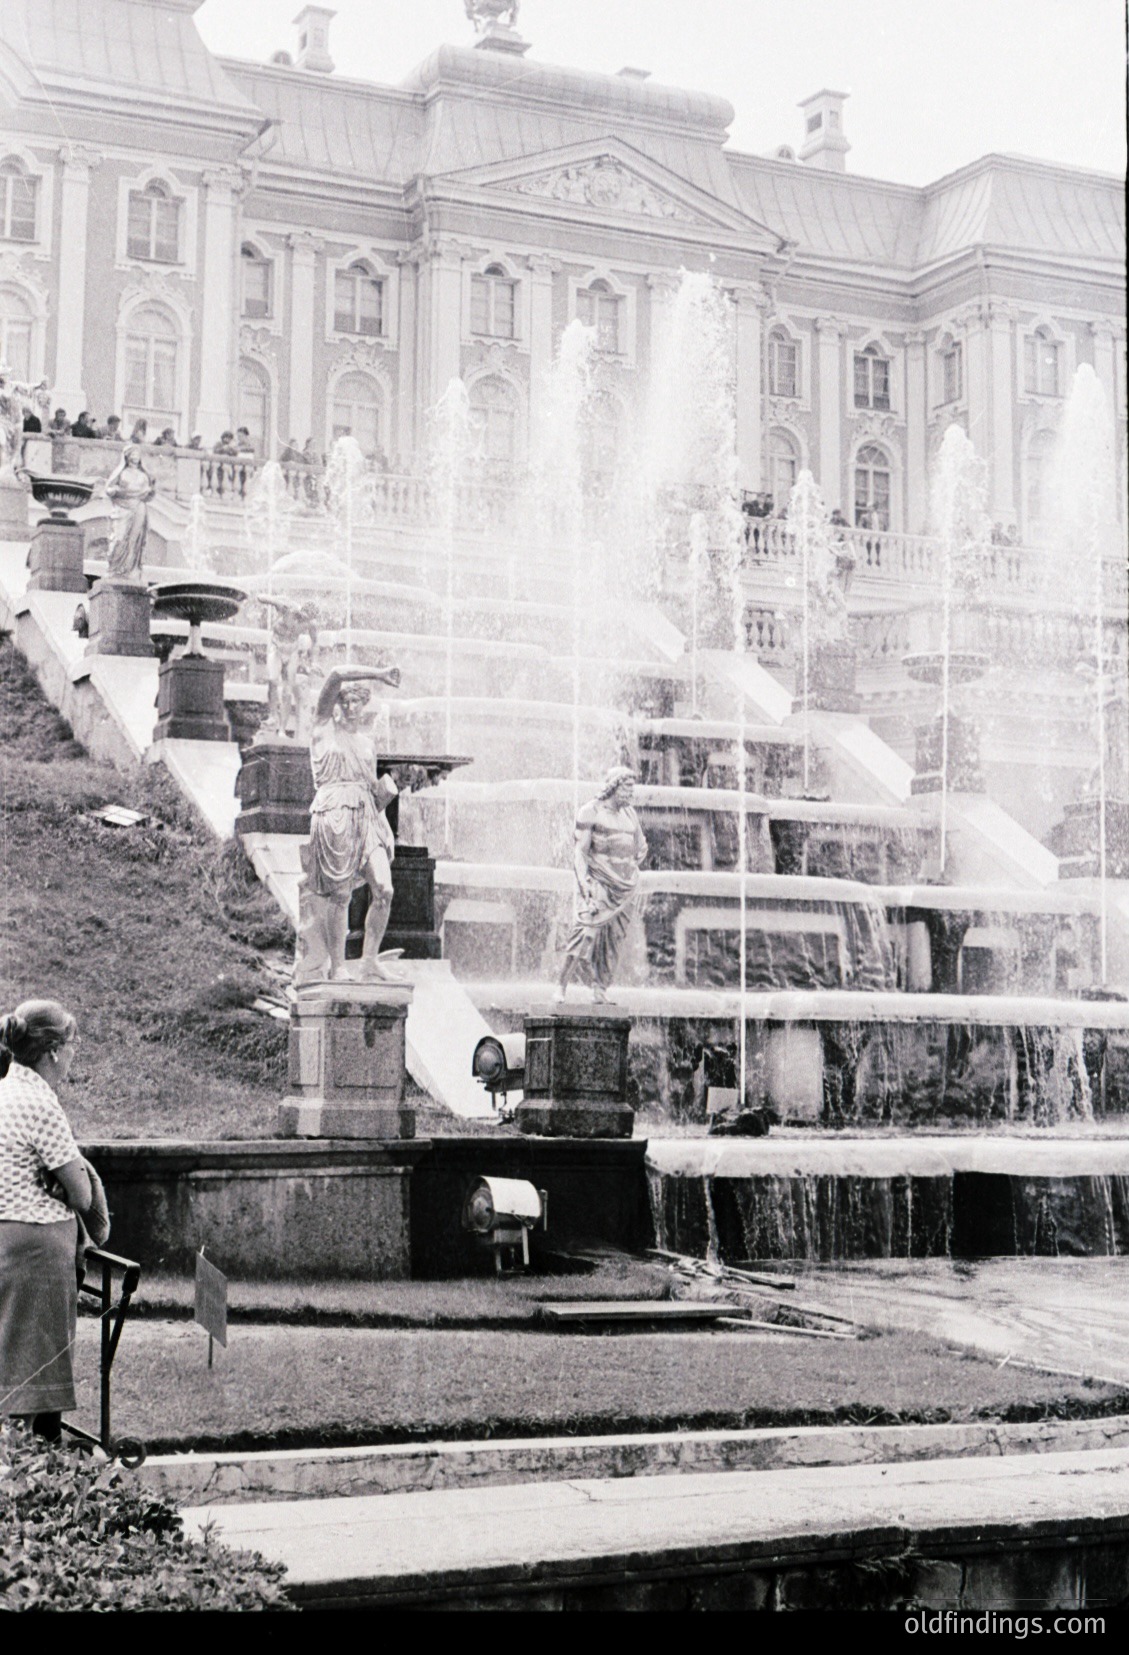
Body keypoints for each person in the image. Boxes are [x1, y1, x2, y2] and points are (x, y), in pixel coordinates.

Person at [0, 1000, 108, 1443]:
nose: (74, 1052)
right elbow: (81, 1193)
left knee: (11, 1366)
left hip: (9, 1241)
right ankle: (25, 1481)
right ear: (53, 1051)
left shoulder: (6, 1090)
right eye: (71, 1043)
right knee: (29, 1385)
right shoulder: (41, 1103)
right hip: (36, 1252)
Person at [294, 664, 404, 987]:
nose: (351, 707)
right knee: (340, 896)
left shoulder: (368, 746)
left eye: (357, 701)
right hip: (334, 814)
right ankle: (338, 966)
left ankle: (369, 961)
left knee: (384, 888)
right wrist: (380, 674)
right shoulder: (322, 728)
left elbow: (372, 790)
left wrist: (384, 828)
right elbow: (337, 673)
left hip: (367, 818)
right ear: (336, 706)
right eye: (345, 701)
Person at [555, 766, 648, 1005]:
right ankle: (560, 986)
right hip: (598, 882)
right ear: (614, 786)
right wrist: (584, 883)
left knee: (614, 940)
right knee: (585, 933)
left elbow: (640, 846)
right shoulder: (590, 812)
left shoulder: (630, 814)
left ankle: (600, 989)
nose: (630, 793)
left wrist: (634, 862)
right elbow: (580, 853)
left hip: (625, 886)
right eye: (627, 788)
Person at [104, 445, 156, 581]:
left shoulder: (144, 475)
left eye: (138, 453)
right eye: (133, 453)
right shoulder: (121, 472)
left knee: (135, 541)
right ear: (126, 456)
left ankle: (131, 571)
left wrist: (150, 491)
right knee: (119, 539)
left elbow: (150, 495)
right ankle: (115, 570)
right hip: (122, 508)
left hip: (139, 507)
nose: (135, 456)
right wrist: (116, 491)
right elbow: (108, 488)